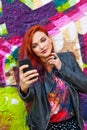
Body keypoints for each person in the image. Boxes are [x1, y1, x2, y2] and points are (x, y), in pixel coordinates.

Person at [18, 25, 87, 130]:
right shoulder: (32, 70)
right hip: (46, 126)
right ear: (32, 51)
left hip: (72, 124)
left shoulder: (67, 59)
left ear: (50, 39)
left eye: (43, 40)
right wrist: (23, 89)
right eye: (35, 46)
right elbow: (30, 97)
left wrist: (61, 68)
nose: (41, 47)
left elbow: (85, 86)